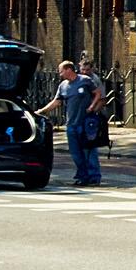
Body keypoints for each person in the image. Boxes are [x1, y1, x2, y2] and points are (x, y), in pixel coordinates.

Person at [53, 58, 106, 187]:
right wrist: (41, 111)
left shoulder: (85, 81)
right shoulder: (63, 86)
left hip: (86, 123)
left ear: (68, 70)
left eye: (61, 71)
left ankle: (94, 177)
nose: (60, 74)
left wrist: (92, 107)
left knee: (89, 151)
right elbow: (57, 101)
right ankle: (82, 176)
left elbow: (99, 94)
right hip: (71, 124)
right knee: (75, 152)